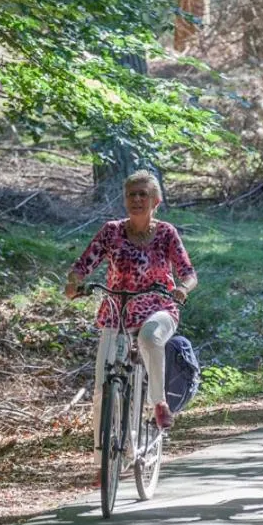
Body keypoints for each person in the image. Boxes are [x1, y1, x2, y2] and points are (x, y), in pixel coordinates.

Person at [66, 170, 198, 472]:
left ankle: (159, 403)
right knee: (103, 387)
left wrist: (182, 288)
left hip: (159, 307)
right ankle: (105, 463)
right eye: (131, 195)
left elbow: (189, 273)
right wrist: (74, 282)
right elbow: (83, 265)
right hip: (117, 312)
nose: (137, 199)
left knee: (149, 338)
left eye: (143, 194)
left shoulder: (166, 233)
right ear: (125, 200)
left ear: (156, 201)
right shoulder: (111, 231)